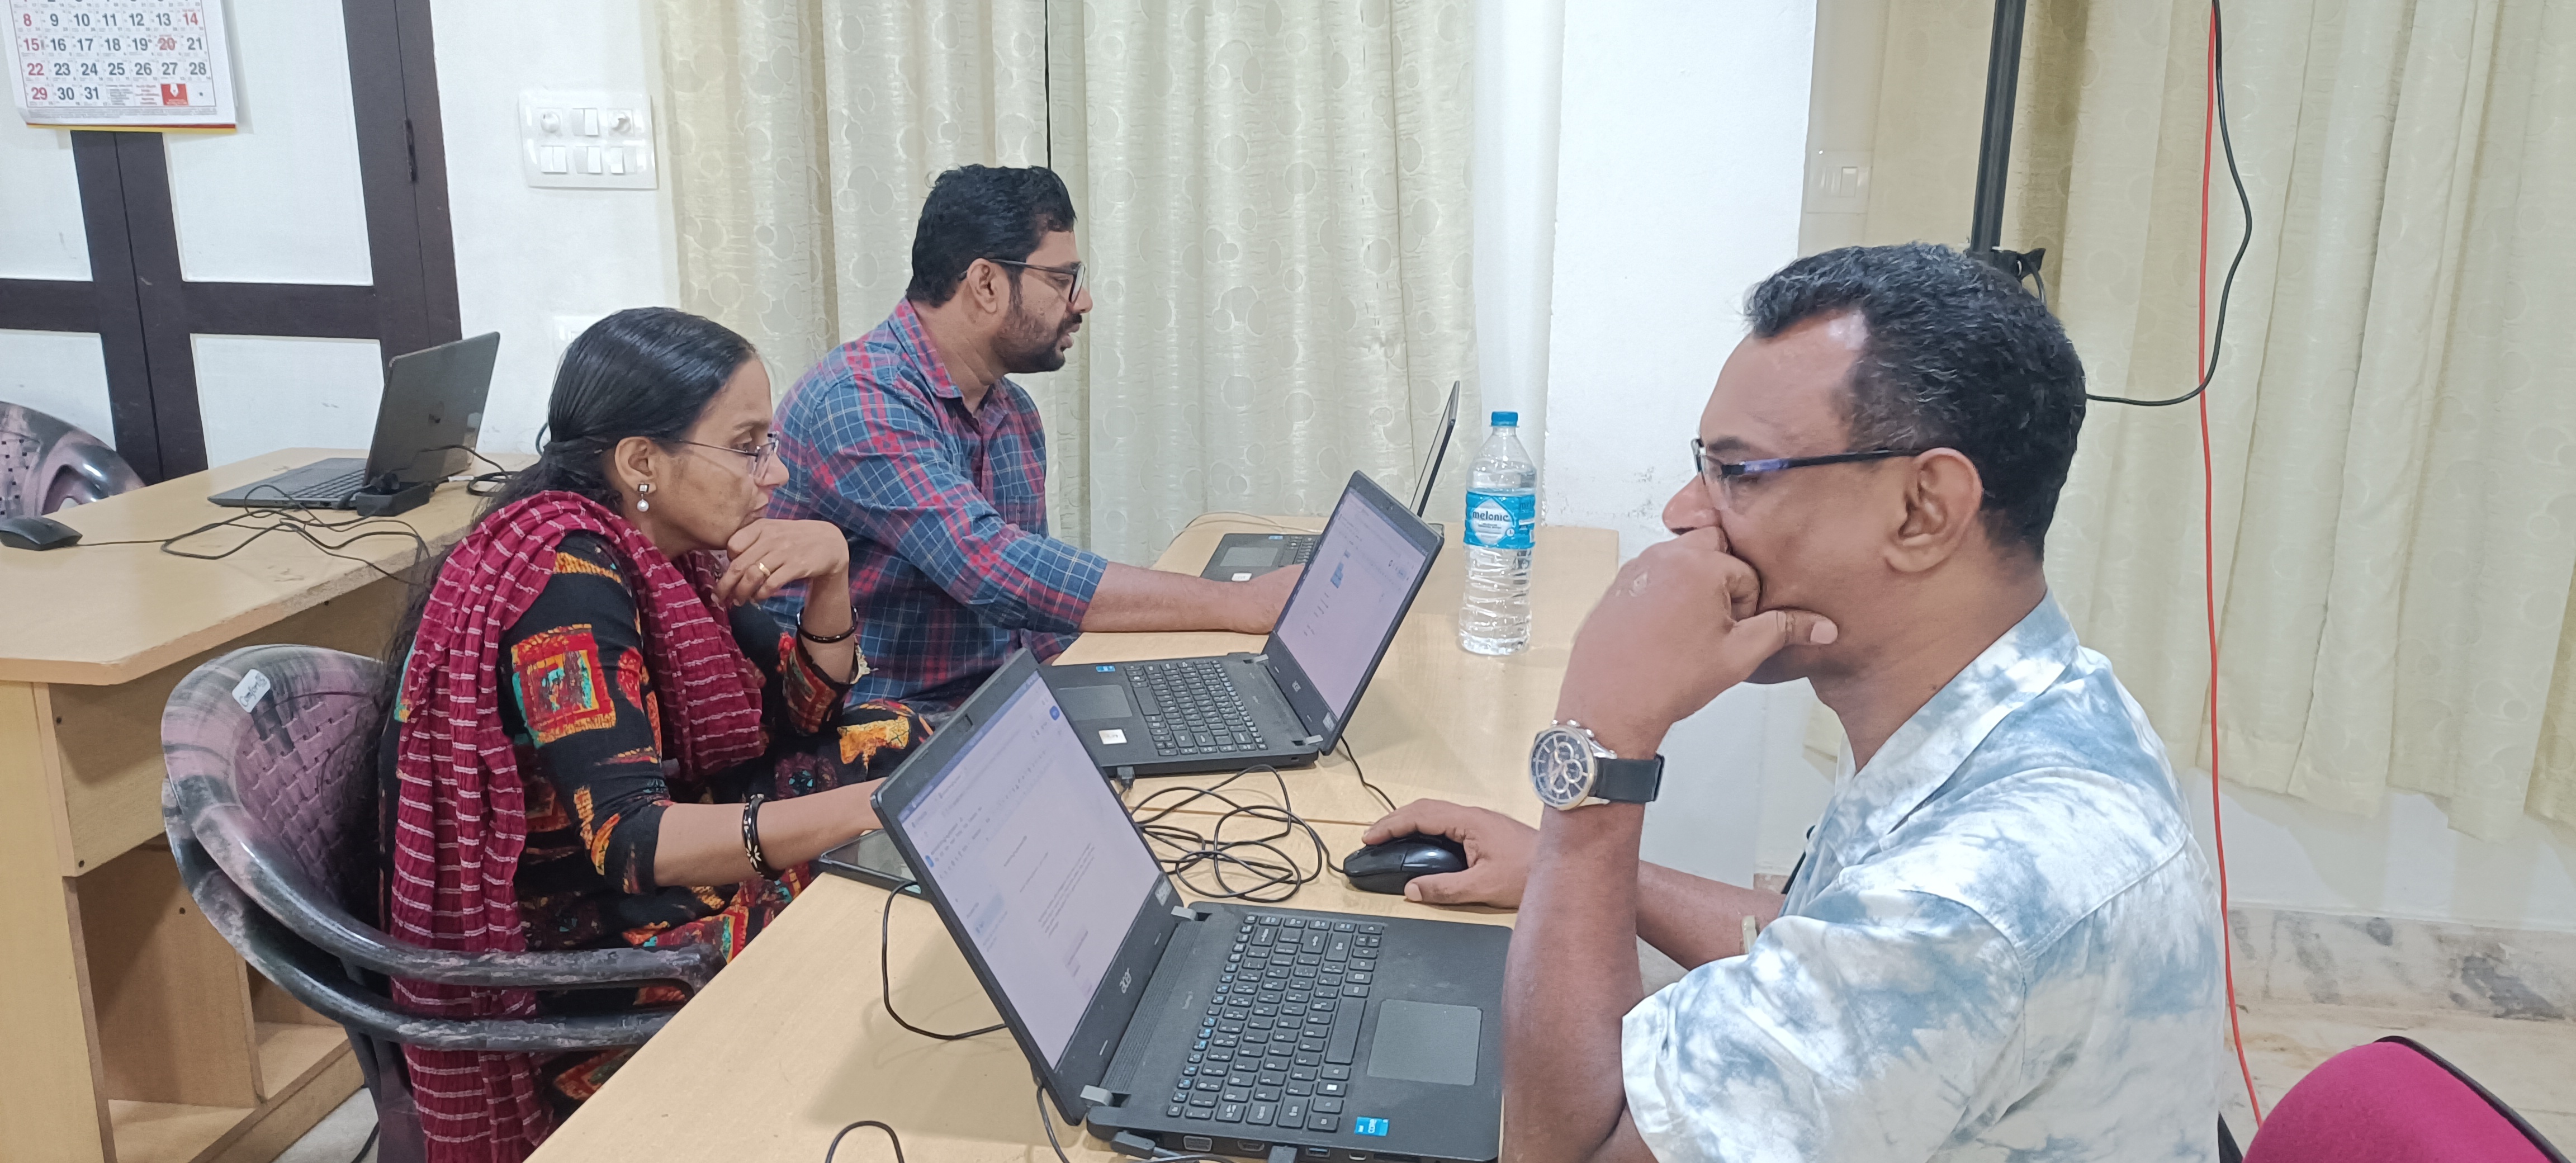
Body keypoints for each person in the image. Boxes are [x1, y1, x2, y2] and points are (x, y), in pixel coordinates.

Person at [1368, 245, 2224, 1160]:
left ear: (1923, 510)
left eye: (1739, 472)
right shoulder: (2047, 703)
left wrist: (1598, 750)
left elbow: (1556, 1153)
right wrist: (1560, 870)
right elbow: (1825, 942)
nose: (1682, 511)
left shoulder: (1972, 899)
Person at [376, 308, 927, 1161]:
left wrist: (832, 571)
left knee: (900, 739)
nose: (776, 472)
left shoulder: (665, 554)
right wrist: (870, 810)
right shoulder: (565, 579)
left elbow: (802, 718)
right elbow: (631, 840)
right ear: (641, 462)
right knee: (873, 891)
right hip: (581, 942)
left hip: (631, 873)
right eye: (748, 447)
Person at [766, 164, 1299, 713]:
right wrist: (1239, 603)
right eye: (1062, 279)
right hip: (882, 729)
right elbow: (993, 569)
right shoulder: (858, 401)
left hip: (997, 709)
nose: (1082, 301)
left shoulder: (1012, 411)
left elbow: (1033, 619)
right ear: (987, 284)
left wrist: (1110, 695)